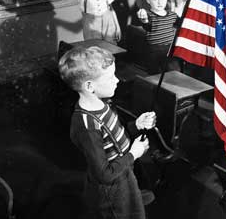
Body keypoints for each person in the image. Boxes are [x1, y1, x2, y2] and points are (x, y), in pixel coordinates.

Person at [59, 46, 155, 219]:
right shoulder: (87, 125)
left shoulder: (105, 103)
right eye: (111, 77)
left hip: (124, 173)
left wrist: (136, 125)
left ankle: (135, 199)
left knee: (133, 205)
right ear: (89, 86)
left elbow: (114, 136)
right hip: (112, 190)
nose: (117, 80)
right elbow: (104, 174)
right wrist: (134, 153)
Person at [136, 0, 180, 74]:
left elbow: (182, 25)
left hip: (169, 49)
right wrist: (144, 20)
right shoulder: (148, 15)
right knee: (154, 75)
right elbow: (147, 27)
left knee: (173, 72)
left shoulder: (172, 15)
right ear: (148, 0)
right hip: (153, 50)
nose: (160, 2)